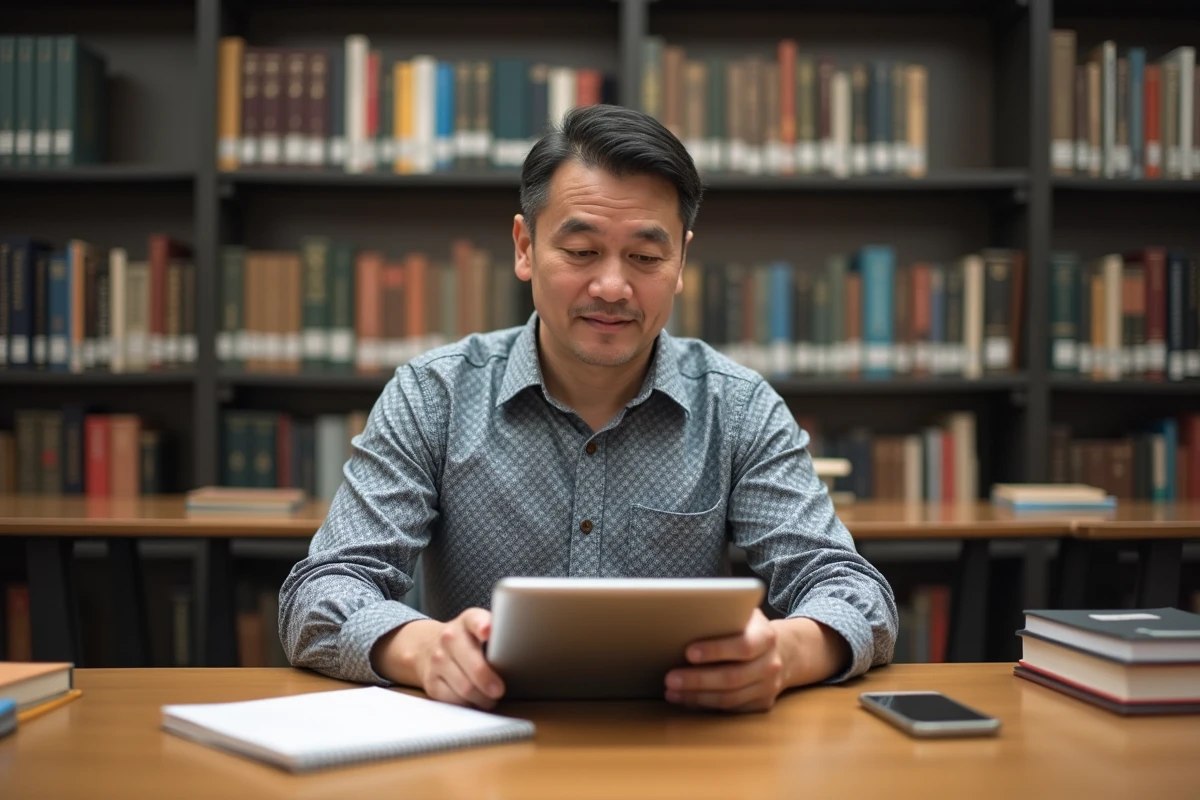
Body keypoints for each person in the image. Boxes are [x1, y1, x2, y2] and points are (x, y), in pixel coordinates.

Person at [279, 104, 897, 713]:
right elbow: (321, 592)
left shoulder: (737, 408)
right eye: (580, 251)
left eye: (646, 257)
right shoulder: (433, 396)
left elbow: (853, 590)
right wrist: (422, 649)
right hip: (480, 739)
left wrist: (786, 653)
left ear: (680, 261)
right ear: (525, 247)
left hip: (686, 743)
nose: (611, 287)